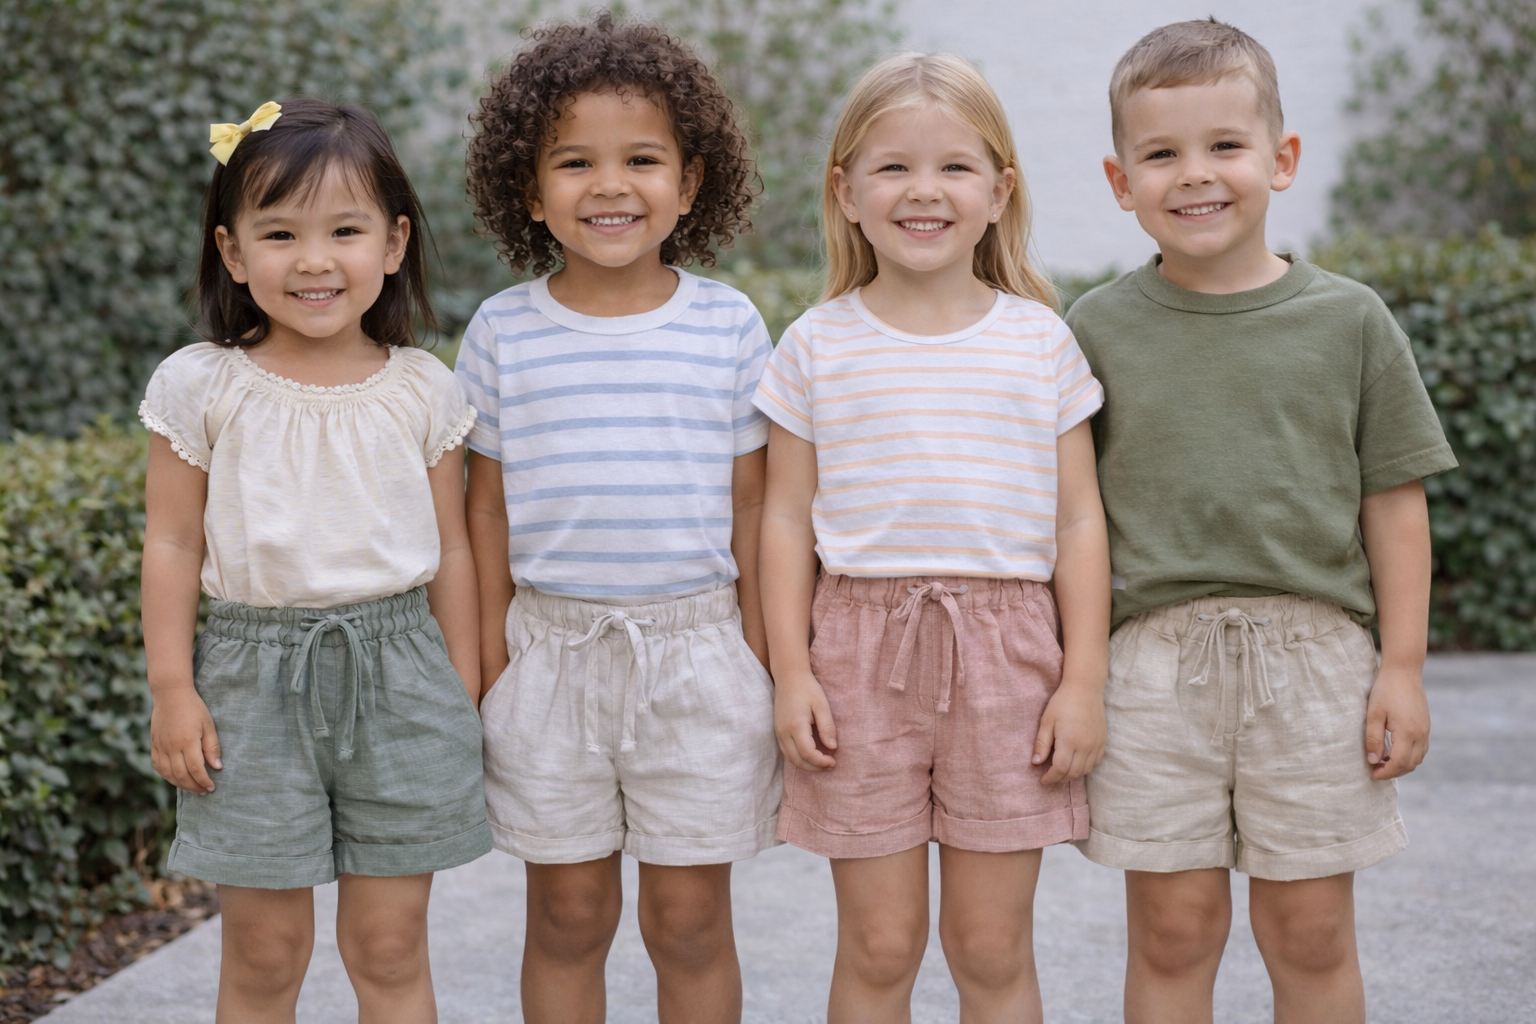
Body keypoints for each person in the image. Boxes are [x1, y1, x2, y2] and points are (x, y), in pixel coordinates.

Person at [1067, 18, 1459, 1024]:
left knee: (1313, 934)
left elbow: (1394, 501)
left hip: (1318, 663)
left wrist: (1402, 666)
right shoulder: (1095, 330)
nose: (1195, 175)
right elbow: (1072, 517)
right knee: (1172, 930)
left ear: (1280, 160)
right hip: (1151, 670)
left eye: (1225, 146)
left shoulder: (1350, 321)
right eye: (1161, 154)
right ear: (1121, 180)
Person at [756, 52, 1112, 1024]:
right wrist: (792, 672)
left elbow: (1079, 520)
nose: (924, 191)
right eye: (892, 168)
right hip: (859, 655)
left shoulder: (1039, 340)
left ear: (1000, 192)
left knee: (992, 949)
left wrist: (1082, 679)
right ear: (848, 191)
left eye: (955, 167)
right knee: (879, 947)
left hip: (1010, 657)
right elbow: (784, 521)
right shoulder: (815, 344)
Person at [140, 98, 491, 1022]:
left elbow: (452, 547)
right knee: (263, 953)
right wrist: (173, 688)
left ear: (393, 242)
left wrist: (460, 685)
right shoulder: (201, 384)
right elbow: (172, 541)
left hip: (402, 678)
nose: (313, 260)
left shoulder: (424, 386)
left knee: (387, 946)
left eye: (344, 229)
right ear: (231, 251)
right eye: (279, 232)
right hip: (251, 686)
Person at [455, 14, 776, 1024]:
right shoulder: (503, 331)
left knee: (687, 919)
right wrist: (487, 671)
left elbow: (755, 503)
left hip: (697, 652)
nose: (608, 186)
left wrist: (765, 658)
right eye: (574, 162)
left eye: (641, 159)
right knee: (566, 914)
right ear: (530, 189)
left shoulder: (727, 326)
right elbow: (485, 515)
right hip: (548, 654)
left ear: (688, 185)